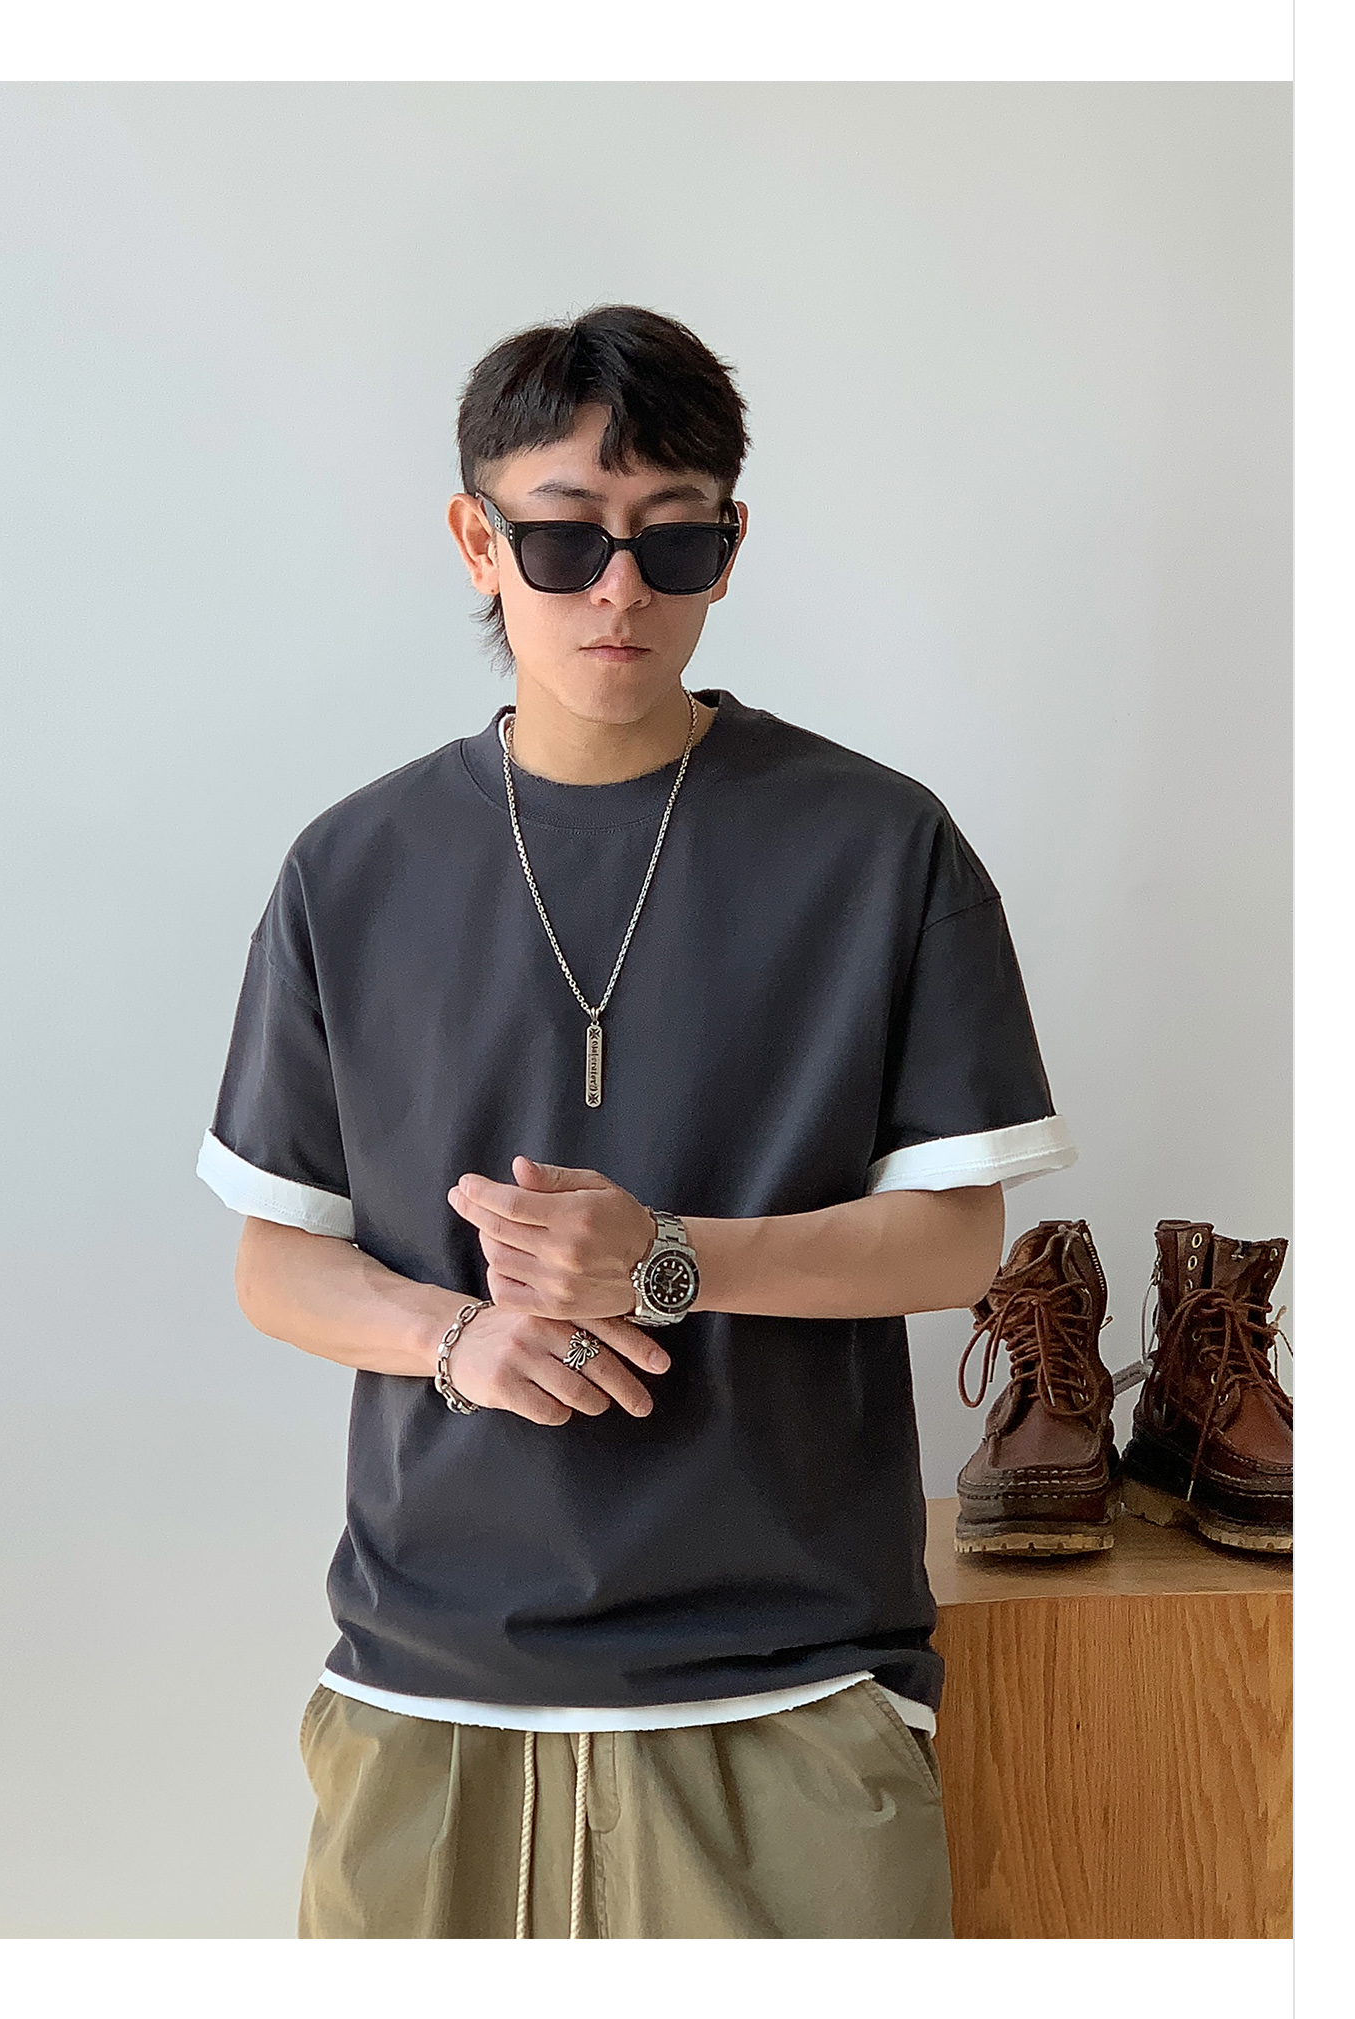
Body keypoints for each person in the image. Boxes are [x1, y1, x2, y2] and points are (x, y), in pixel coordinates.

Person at [196, 304, 1076, 1939]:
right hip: (427, 1688)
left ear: (730, 550)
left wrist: (667, 1259)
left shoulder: (881, 848)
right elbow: (279, 1262)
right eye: (565, 538)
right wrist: (460, 1340)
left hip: (787, 1682)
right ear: (478, 540)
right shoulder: (351, 869)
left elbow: (958, 1243)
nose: (620, 592)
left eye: (675, 543)